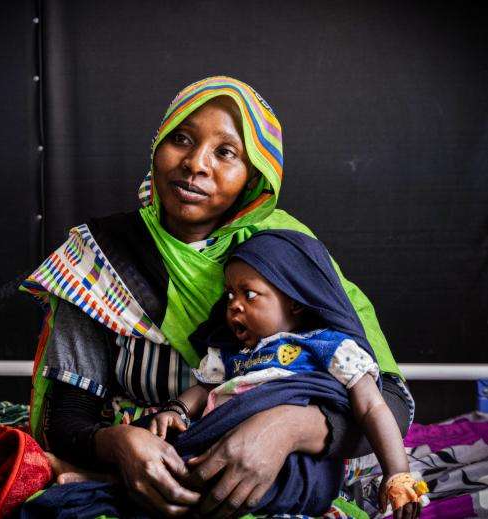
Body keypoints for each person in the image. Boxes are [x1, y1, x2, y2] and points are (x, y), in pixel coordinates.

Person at [21, 76, 415, 518]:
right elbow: (65, 420)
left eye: (225, 152)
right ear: (157, 148)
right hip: (143, 473)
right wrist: (119, 444)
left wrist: (286, 427)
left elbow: (388, 404)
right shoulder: (100, 256)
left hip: (271, 480)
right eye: (181, 139)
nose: (195, 164)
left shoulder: (286, 256)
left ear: (254, 176)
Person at [149, 230, 427, 517]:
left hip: (294, 465)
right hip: (219, 445)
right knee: (163, 465)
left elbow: (372, 407)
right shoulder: (232, 354)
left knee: (193, 490)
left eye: (250, 294)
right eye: (230, 294)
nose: (234, 304)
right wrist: (178, 409)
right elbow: (205, 388)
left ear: (294, 300)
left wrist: (397, 474)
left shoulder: (327, 347)